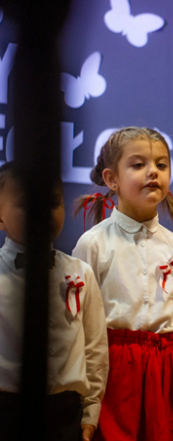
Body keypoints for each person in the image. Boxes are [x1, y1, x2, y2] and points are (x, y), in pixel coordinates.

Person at [72, 127, 173, 441]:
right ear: (112, 179)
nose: (152, 172)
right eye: (138, 164)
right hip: (115, 373)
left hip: (167, 375)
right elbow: (79, 329)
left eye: (161, 164)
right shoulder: (93, 244)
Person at [0, 162, 108, 441]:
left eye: (52, 202)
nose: (41, 213)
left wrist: (91, 410)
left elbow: (95, 349)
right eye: (27, 204)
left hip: (64, 413)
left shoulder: (80, 273)